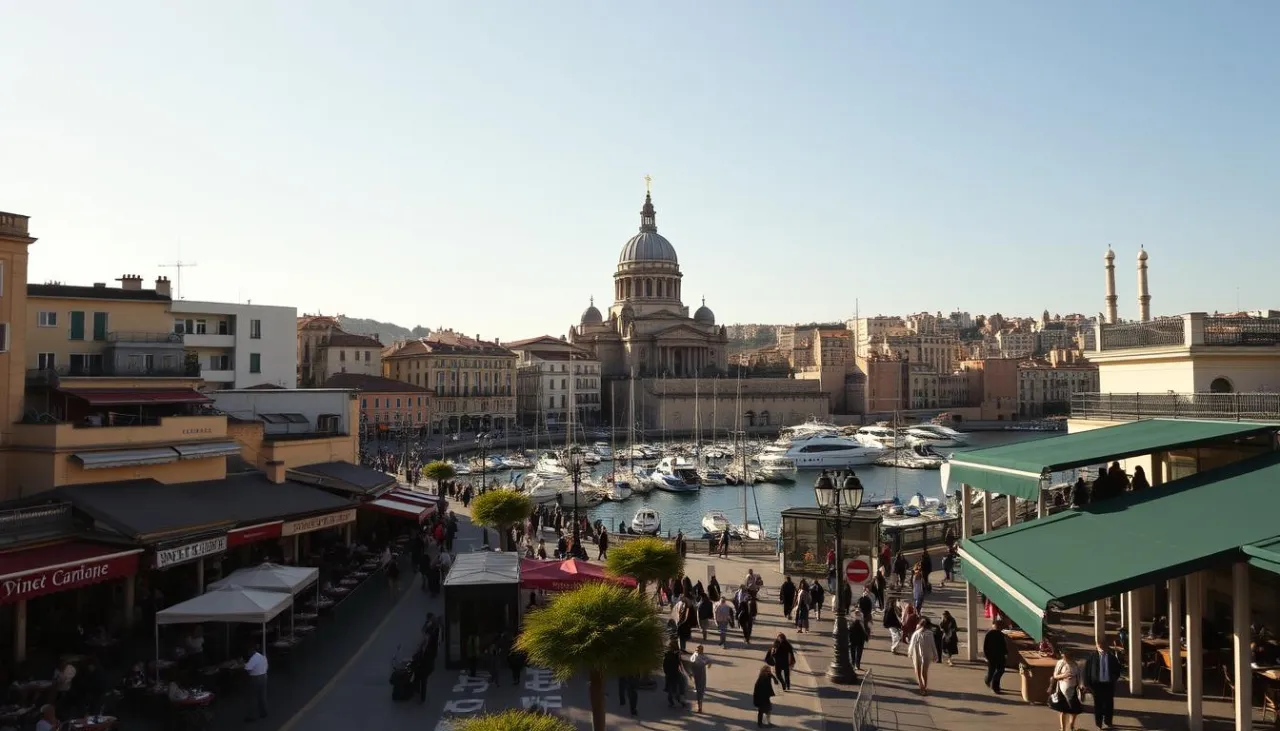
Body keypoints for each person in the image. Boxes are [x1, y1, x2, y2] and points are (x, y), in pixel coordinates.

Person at [1082, 638, 1122, 730]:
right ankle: (1099, 723)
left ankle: (1108, 721)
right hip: (1097, 685)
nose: (1102, 648)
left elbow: (1118, 670)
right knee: (1098, 704)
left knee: (1109, 704)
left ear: (1106, 646)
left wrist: (1113, 678)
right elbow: (1086, 671)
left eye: (1103, 646)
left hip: (1108, 684)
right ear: (1097, 646)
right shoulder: (1092, 657)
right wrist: (1086, 684)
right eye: (1100, 646)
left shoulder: (1111, 657)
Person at [1049, 649, 1084, 731]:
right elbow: (1055, 676)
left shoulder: (1076, 664)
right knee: (1063, 710)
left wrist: (1081, 685)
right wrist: (1063, 675)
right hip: (1062, 689)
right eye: (1064, 657)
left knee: (1075, 710)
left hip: (1073, 689)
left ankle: (1071, 725)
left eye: (1066, 657)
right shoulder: (1060, 663)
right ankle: (1063, 728)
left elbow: (1079, 677)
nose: (1064, 658)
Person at [907, 618, 939, 695]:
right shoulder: (918, 633)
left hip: (923, 653)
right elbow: (912, 643)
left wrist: (935, 655)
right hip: (919, 652)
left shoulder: (928, 633)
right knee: (920, 670)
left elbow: (932, 644)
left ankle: (923, 686)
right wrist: (910, 652)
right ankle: (922, 686)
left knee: (921, 670)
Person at [243, 646, 269, 721]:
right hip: (264, 676)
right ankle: (264, 713)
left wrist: (245, 666)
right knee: (262, 696)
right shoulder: (263, 657)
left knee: (252, 697)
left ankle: (251, 716)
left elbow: (247, 668)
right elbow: (266, 667)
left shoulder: (254, 658)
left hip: (256, 678)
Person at [982, 621, 1008, 693]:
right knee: (995, 671)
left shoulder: (1000, 634)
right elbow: (985, 646)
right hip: (993, 656)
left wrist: (1005, 653)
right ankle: (993, 685)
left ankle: (992, 683)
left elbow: (1003, 645)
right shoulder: (990, 634)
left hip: (999, 656)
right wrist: (986, 656)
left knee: (998, 670)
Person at [687, 644, 710, 712]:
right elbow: (690, 665)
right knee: (698, 691)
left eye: (698, 650)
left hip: (702, 677)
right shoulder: (694, 656)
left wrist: (708, 664)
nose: (697, 651)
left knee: (700, 692)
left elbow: (708, 661)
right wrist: (690, 673)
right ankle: (699, 705)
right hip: (695, 676)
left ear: (702, 650)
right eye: (696, 650)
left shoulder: (704, 657)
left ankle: (700, 707)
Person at [662, 641, 686, 708]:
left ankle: (679, 701)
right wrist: (666, 672)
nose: (670, 648)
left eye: (671, 646)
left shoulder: (676, 654)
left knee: (674, 689)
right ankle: (676, 702)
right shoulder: (668, 654)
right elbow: (665, 664)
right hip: (670, 674)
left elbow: (680, 663)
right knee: (671, 690)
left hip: (674, 673)